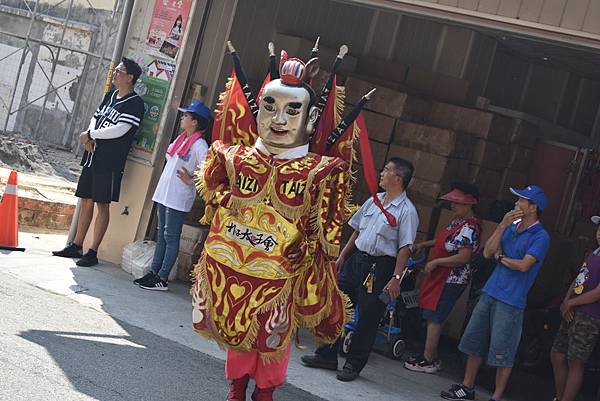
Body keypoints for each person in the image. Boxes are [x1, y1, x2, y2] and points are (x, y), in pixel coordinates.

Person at [191, 45, 369, 401]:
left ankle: (265, 391)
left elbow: (328, 231)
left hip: (281, 274)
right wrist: (230, 205)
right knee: (237, 329)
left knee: (273, 333)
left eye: (293, 110)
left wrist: (307, 250)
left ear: (310, 117)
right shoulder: (232, 155)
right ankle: (237, 386)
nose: (279, 120)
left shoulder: (321, 170)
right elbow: (211, 189)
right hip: (233, 264)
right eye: (269, 106)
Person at [300, 157, 419, 382]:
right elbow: (356, 231)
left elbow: (405, 248)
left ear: (398, 178)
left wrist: (396, 278)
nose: (381, 174)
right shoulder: (374, 201)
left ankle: (353, 364)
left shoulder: (407, 211)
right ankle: (326, 355)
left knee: (367, 319)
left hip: (381, 267)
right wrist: (343, 257)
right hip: (357, 261)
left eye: (386, 171)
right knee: (337, 306)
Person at [441, 185, 551, 401]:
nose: (516, 204)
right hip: (490, 291)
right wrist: (502, 225)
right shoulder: (512, 226)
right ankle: (467, 386)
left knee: (503, 351)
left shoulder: (540, 236)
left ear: (533, 207)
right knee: (474, 341)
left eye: (521, 200)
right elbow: (488, 251)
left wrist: (501, 259)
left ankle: (497, 396)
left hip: (511, 299)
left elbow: (523, 265)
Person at [52, 58, 144, 267]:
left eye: (120, 71)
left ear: (130, 77)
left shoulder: (135, 103)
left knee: (102, 204)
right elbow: (96, 116)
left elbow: (121, 129)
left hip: (109, 161)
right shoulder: (110, 95)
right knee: (86, 200)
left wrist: (92, 134)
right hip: (92, 154)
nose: (115, 74)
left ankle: (92, 252)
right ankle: (76, 244)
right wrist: (89, 136)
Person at [133, 100, 211, 291]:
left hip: (178, 196)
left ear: (195, 122)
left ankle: (163, 278)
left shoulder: (200, 144)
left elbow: (208, 170)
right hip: (164, 193)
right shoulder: (182, 139)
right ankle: (154, 272)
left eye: (186, 116)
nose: (182, 118)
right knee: (162, 234)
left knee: (171, 236)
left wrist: (191, 180)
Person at [405, 183, 481, 374]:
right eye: (452, 203)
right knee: (430, 314)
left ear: (469, 204)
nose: (453, 207)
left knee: (435, 318)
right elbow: (444, 242)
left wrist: (437, 262)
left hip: (450, 279)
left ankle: (429, 359)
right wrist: (424, 244)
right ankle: (430, 354)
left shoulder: (470, 227)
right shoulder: (456, 221)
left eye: (457, 203)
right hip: (439, 275)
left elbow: (464, 257)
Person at [550, 215, 600, 401]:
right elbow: (579, 279)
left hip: (590, 315)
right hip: (572, 310)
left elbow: (597, 293)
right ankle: (560, 396)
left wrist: (571, 303)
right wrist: (566, 301)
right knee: (557, 354)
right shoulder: (594, 253)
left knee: (575, 361)